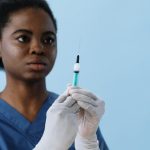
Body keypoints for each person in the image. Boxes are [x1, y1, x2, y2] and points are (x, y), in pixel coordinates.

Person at [0, 0, 109, 149]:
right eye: (23, 38)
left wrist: (88, 142)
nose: (38, 48)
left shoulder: (77, 115)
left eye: (48, 39)